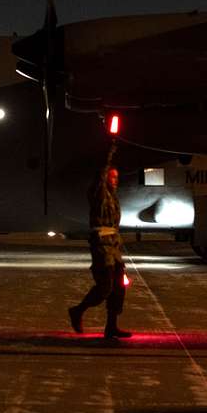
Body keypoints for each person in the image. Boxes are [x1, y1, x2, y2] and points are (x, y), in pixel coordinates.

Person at [68, 144, 131, 339]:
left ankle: (111, 326)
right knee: (105, 287)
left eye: (117, 178)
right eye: (112, 177)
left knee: (120, 286)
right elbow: (101, 172)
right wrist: (110, 148)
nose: (115, 181)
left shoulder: (113, 198)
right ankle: (78, 310)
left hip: (113, 244)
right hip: (101, 245)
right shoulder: (99, 194)